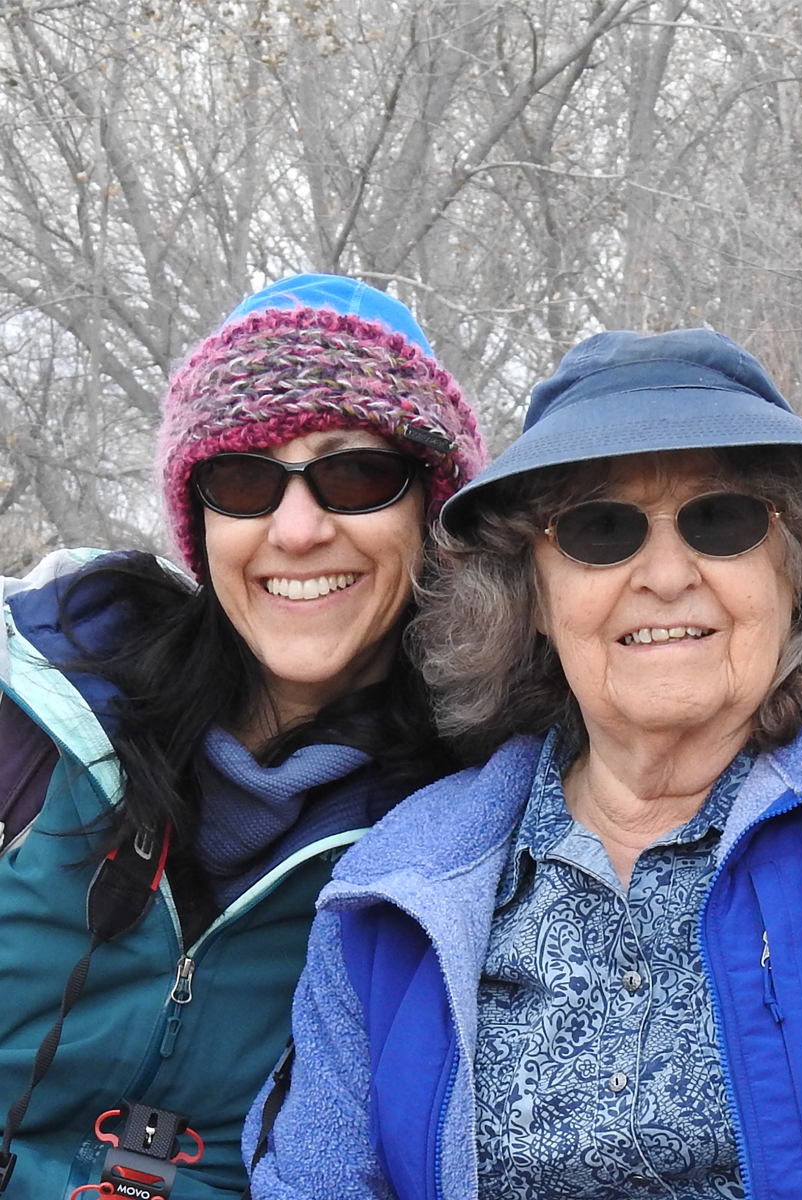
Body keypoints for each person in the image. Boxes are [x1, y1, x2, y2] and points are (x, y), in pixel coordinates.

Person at [247, 328, 802, 1200]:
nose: (663, 575)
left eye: (720, 520)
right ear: (532, 594)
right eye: (600, 529)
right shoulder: (395, 884)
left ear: (796, 566)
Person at [0, 274, 485, 1200]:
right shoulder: (39, 713)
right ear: (202, 520)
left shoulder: (472, 816)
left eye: (356, 474)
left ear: (431, 510)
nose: (297, 530)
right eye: (244, 479)